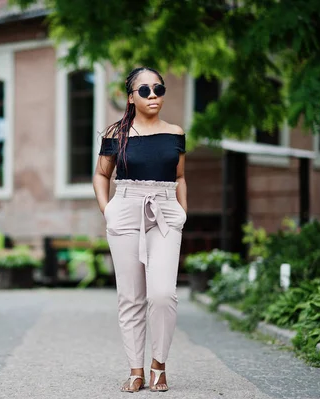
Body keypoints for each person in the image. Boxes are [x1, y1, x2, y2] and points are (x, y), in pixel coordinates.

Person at [93, 67, 187, 393]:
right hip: (126, 207)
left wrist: (182, 212)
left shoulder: (175, 133)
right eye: (144, 90)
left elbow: (180, 177)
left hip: (164, 210)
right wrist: (109, 211)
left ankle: (158, 364)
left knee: (162, 294)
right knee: (131, 296)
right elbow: (101, 175)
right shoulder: (114, 135)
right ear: (130, 96)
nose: (153, 96)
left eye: (158, 89)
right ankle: (136, 369)